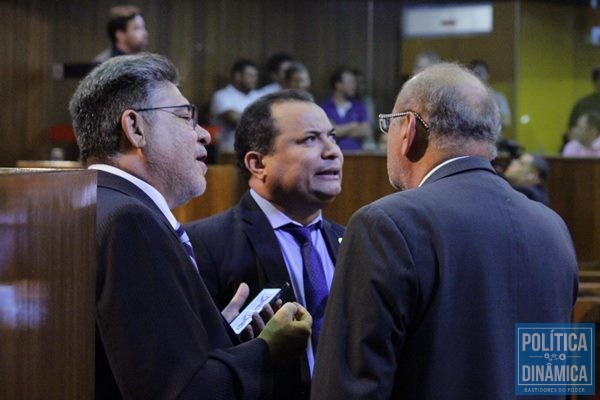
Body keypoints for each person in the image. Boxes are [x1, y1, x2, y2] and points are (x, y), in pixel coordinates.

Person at [312, 63, 578, 399]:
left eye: (388, 125)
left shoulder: (384, 224)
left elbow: (350, 388)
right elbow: (558, 377)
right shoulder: (553, 227)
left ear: (408, 129)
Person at [69, 53, 312, 400]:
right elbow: (177, 392)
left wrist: (214, 333)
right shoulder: (131, 221)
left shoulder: (86, 201)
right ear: (135, 128)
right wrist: (267, 349)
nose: (204, 136)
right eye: (185, 117)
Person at [186, 90, 344, 400]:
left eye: (333, 137)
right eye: (310, 139)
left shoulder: (352, 240)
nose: (333, 152)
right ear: (258, 163)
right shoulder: (204, 244)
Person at [210, 59, 261, 152]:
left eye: (256, 76)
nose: (255, 80)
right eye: (250, 76)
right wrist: (260, 119)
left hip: (255, 150)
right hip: (228, 151)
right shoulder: (222, 95)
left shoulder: (259, 96)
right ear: (237, 76)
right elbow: (233, 118)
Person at [319, 68, 372, 150]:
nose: (354, 86)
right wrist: (353, 126)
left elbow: (366, 131)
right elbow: (328, 132)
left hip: (357, 156)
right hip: (331, 156)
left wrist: (338, 129)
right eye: (351, 82)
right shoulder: (324, 107)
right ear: (338, 85)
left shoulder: (359, 106)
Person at [469, 59, 512, 133]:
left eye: (480, 73)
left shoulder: (498, 97)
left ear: (487, 75)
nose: (477, 76)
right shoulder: (462, 97)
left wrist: (478, 121)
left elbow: (506, 122)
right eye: (474, 73)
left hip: (493, 140)